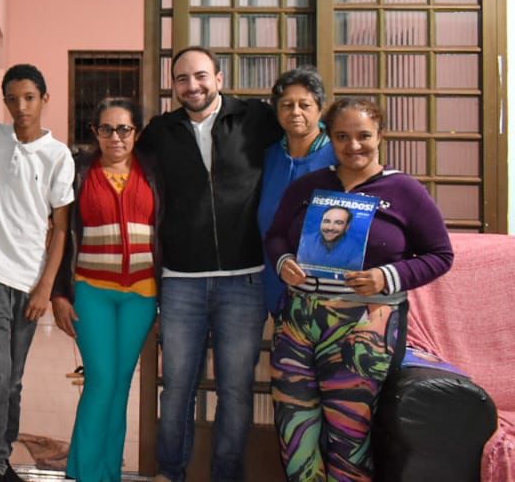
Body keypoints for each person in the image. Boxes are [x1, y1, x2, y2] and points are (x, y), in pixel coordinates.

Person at [265, 98, 453, 482]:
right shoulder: (310, 186)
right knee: (293, 431)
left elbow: (440, 255)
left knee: (349, 434)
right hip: (299, 325)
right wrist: (284, 263)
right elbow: (276, 236)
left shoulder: (404, 190)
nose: (354, 146)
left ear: (380, 136)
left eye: (364, 136)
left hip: (366, 328)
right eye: (342, 136)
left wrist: (388, 276)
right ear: (330, 138)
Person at [137, 46, 281, 482]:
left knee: (235, 391)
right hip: (181, 281)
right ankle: (171, 472)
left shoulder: (257, 119)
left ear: (219, 78)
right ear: (174, 85)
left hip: (245, 280)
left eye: (201, 76)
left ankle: (226, 476)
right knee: (177, 386)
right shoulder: (161, 131)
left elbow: (303, 146)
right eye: (182, 79)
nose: (192, 86)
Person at [0, 64, 75, 482]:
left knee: (12, 378)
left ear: (44, 99)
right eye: (12, 98)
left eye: (29, 97)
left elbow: (62, 228)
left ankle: (2, 455)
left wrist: (45, 287)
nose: (20, 106)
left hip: (30, 282)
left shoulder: (58, 155)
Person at [51, 97, 158, 482]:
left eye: (124, 129)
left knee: (121, 384)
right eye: (106, 129)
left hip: (142, 296)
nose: (115, 137)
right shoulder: (78, 170)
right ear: (94, 133)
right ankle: (87, 474)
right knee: (101, 380)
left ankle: (105, 471)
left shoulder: (153, 171)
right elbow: (61, 234)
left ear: (136, 133)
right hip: (92, 291)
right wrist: (59, 293)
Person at [256, 66, 337, 318]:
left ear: (320, 108)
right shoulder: (268, 156)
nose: (295, 112)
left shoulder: (338, 156)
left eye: (305, 105)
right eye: (287, 105)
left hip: (327, 288)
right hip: (272, 277)